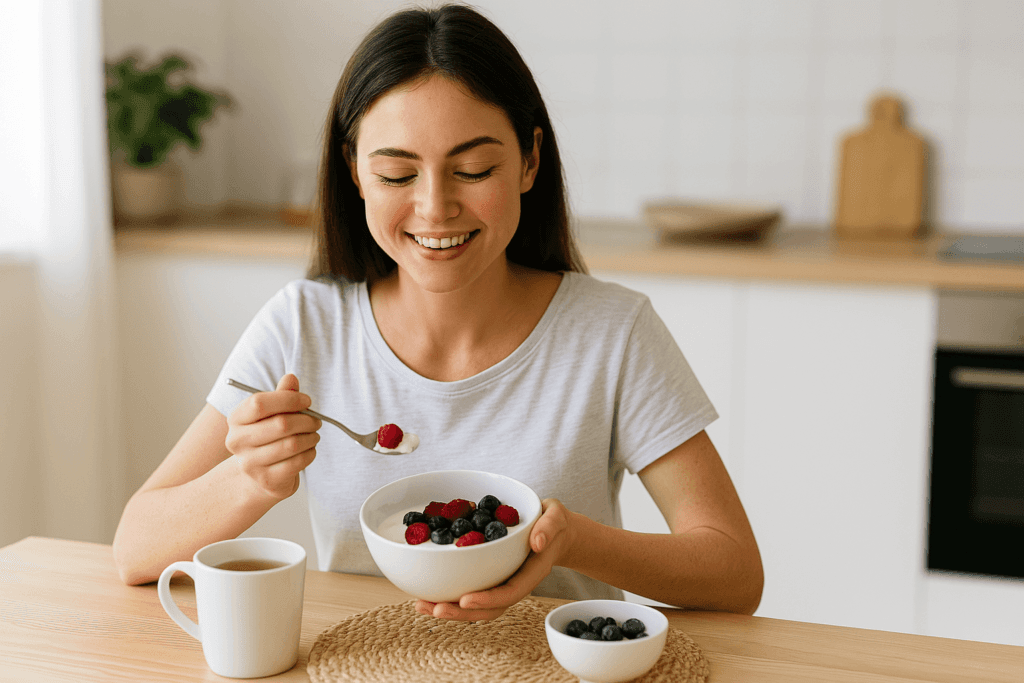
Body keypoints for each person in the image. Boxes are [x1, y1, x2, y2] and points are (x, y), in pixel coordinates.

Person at [113, 4, 763, 622]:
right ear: (355, 173)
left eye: (473, 168)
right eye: (397, 175)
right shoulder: (302, 325)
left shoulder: (611, 332)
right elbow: (134, 546)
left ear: (530, 161)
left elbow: (734, 570)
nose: (434, 207)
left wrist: (571, 541)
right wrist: (249, 480)